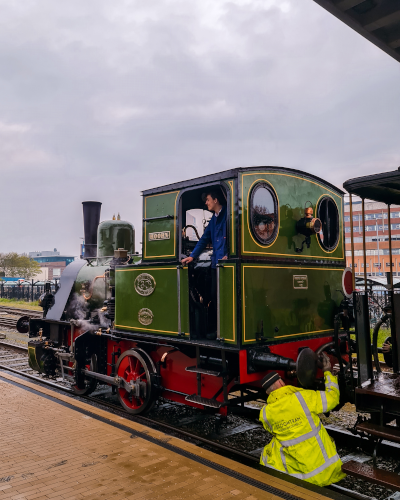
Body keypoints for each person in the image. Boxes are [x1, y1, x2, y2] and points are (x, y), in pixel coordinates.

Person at [259, 354, 346, 487]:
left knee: (267, 452)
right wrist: (328, 372)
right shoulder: (302, 398)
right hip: (324, 472)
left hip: (297, 477)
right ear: (282, 382)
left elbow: (271, 429)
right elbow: (333, 398)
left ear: (267, 393)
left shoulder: (265, 413)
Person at [181, 190, 228, 339]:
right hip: (216, 263)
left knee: (224, 297)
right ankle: (214, 329)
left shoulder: (228, 214)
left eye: (207, 200)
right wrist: (192, 256)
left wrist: (231, 254)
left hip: (226, 263)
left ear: (215, 200)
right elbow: (204, 238)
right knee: (213, 295)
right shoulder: (214, 219)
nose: (206, 203)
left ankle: (222, 331)